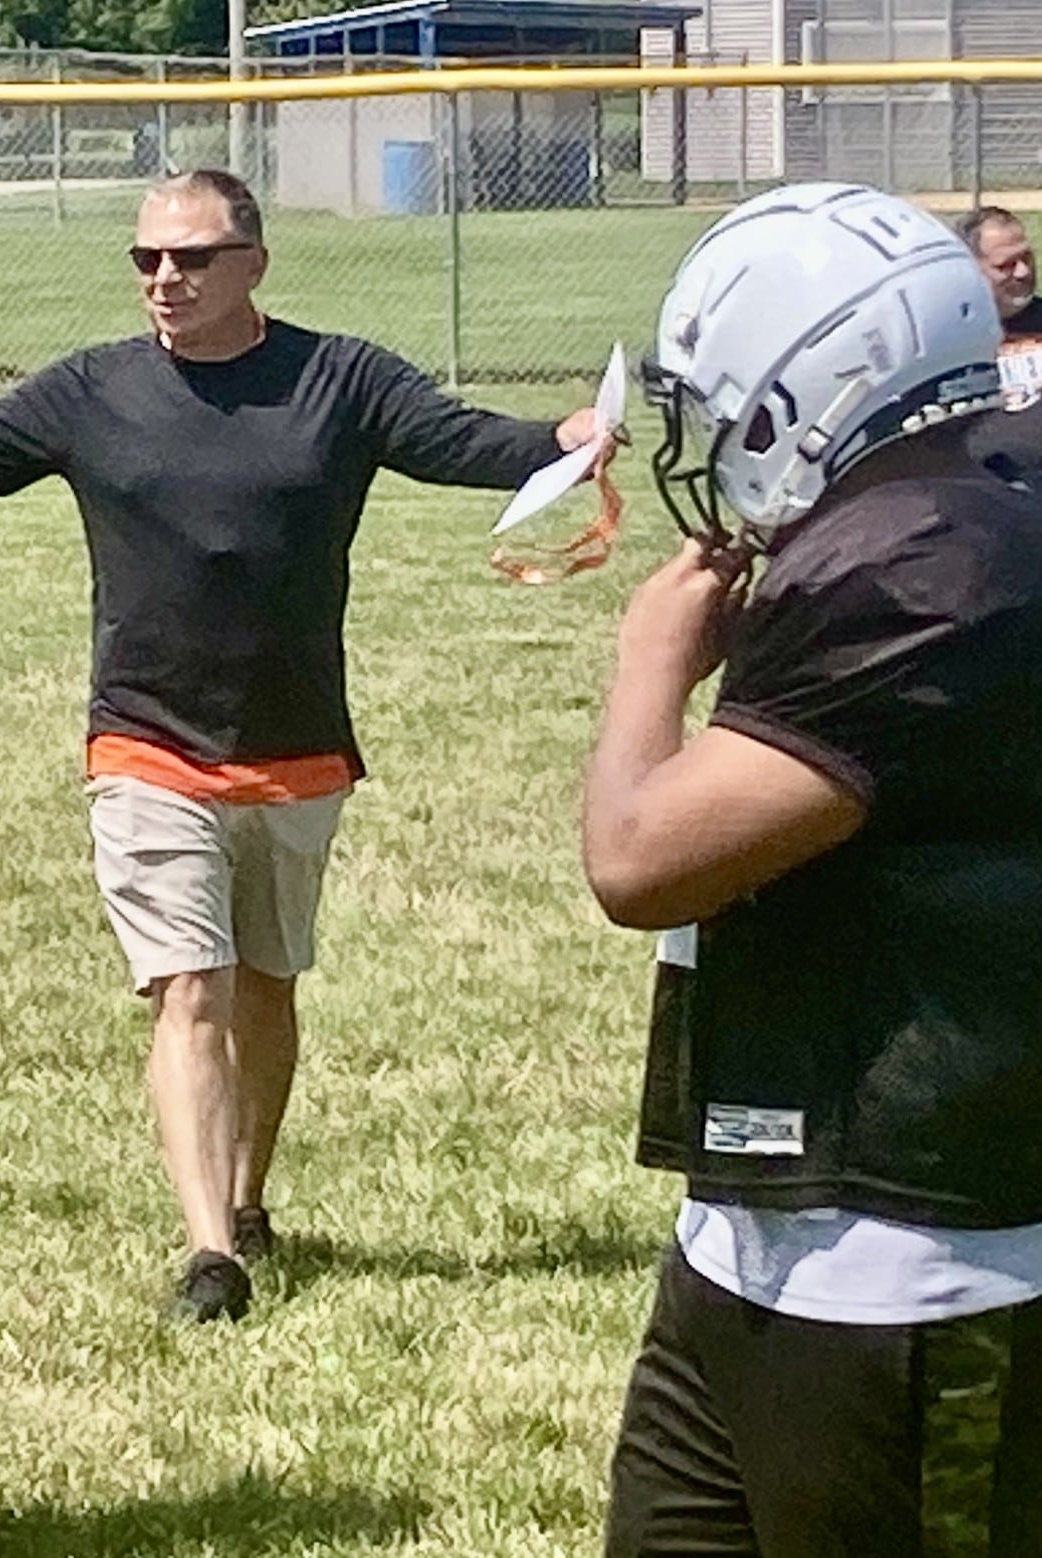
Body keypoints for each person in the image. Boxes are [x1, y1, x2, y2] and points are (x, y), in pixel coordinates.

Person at [0, 168, 603, 1322]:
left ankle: (250, 1194)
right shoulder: (91, 391)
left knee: (267, 989)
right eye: (148, 260)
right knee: (192, 987)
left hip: (298, 748)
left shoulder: (340, 379)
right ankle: (210, 1250)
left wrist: (564, 436)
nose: (165, 279)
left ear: (253, 263)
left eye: (192, 258)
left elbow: (461, 440)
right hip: (146, 746)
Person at [585, 182, 1042, 1556]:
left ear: (810, 385)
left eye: (720, 404)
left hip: (904, 1251)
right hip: (769, 1221)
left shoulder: (920, 561)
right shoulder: (963, 497)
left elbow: (640, 859)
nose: (710, 442)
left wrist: (646, 668)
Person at [959, 206, 1042, 487]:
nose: (1023, 272)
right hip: (986, 485)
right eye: (1005, 264)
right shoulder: (949, 340)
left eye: (1027, 258)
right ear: (969, 267)